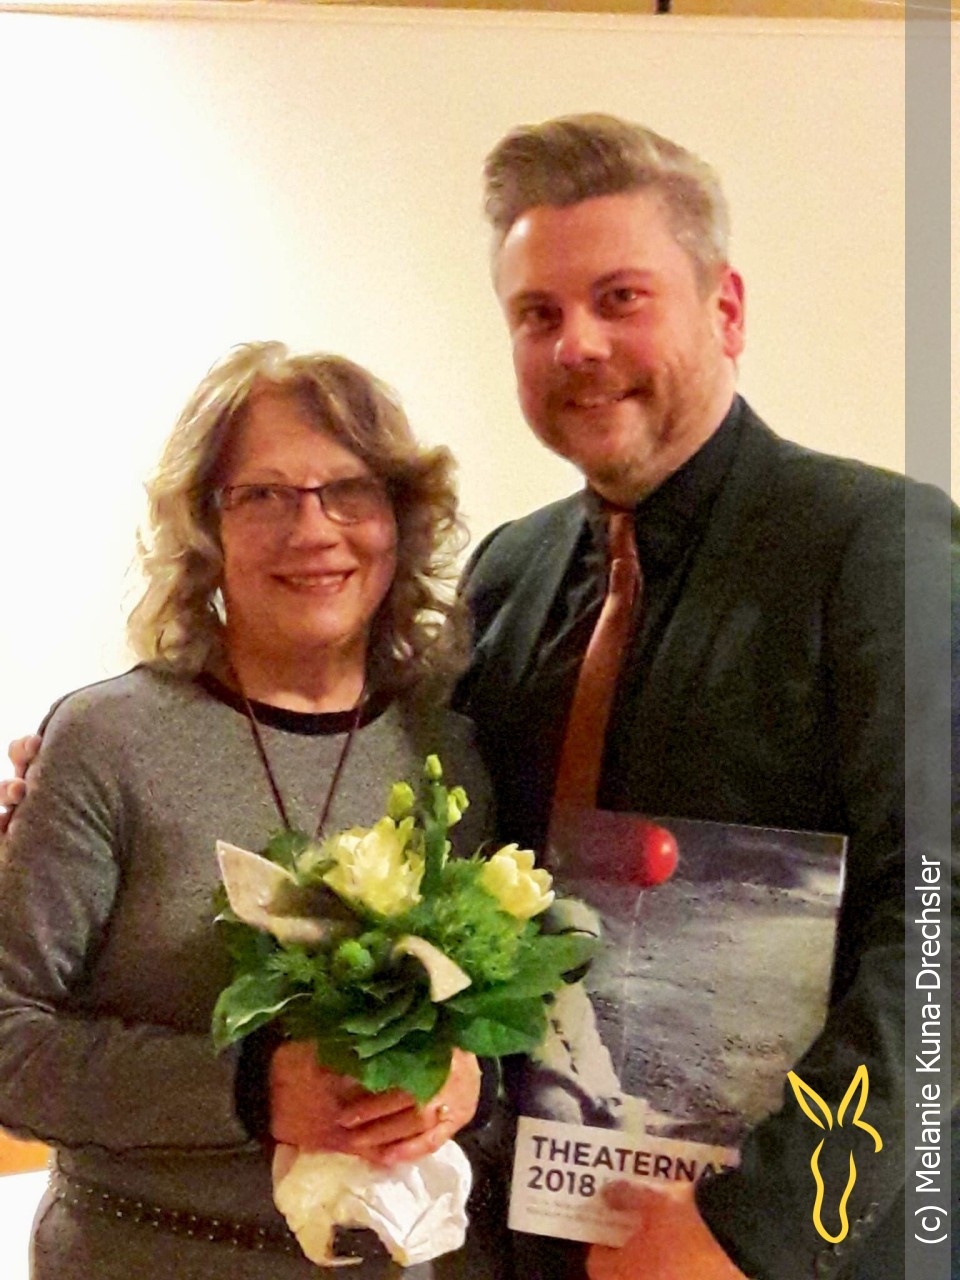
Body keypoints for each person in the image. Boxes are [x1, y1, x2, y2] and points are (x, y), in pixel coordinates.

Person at [452, 115, 957, 1280]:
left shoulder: (877, 545)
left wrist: (760, 1228)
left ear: (725, 310)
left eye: (620, 297)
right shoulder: (507, 576)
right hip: (527, 1231)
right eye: (538, 313)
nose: (577, 343)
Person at [0, 342, 512, 1280]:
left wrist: (474, 1085)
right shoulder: (108, 742)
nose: (312, 530)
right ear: (206, 527)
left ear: (399, 519)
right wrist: (249, 1089)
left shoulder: (454, 750)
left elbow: (523, 1028)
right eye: (263, 495)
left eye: (349, 490)